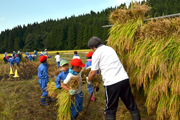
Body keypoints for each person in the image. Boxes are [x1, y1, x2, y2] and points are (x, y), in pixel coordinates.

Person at [87, 37, 140, 120]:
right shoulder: (110, 48)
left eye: (91, 49)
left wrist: (88, 80)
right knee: (131, 105)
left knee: (110, 109)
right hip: (123, 79)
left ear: (93, 47)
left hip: (111, 83)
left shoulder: (96, 53)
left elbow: (93, 72)